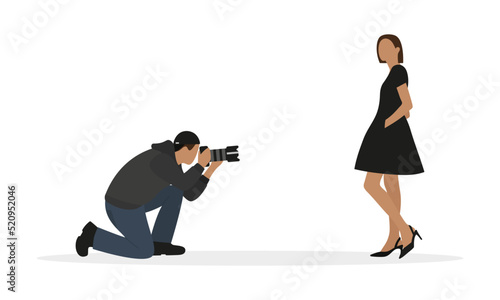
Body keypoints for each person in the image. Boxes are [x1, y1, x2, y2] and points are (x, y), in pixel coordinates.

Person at [75, 131, 223, 259]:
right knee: (144, 251)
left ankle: (161, 243)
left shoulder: (173, 161)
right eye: (196, 151)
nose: (197, 156)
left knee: (174, 192)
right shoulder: (161, 159)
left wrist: (209, 171)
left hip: (136, 201)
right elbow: (185, 184)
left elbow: (189, 194)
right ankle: (93, 237)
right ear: (185, 149)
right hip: (121, 206)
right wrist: (201, 165)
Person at [354, 34, 424, 259]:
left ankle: (404, 231)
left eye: (386, 46)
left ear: (397, 49)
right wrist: (394, 118)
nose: (382, 50)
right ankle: (395, 235)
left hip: (386, 131)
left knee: (371, 184)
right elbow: (406, 110)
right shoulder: (393, 74)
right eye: (379, 47)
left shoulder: (399, 71)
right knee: (390, 183)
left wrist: (387, 122)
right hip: (390, 132)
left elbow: (408, 104)